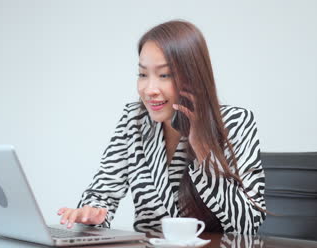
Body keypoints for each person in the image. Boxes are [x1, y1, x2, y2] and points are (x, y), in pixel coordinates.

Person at [57, 20, 266, 235]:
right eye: (143, 74)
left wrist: (204, 155)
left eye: (164, 75)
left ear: (193, 77)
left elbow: (248, 225)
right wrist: (92, 214)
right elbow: (102, 194)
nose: (149, 89)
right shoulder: (134, 119)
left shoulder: (234, 122)